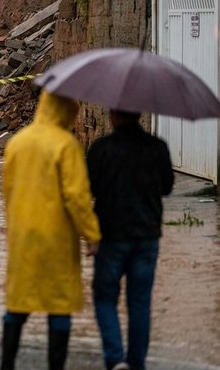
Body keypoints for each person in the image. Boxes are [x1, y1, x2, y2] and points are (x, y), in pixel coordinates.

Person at [0, 91, 101, 370]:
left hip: (23, 237)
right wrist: (91, 234)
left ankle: (6, 364)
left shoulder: (18, 142)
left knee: (18, 302)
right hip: (57, 239)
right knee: (59, 305)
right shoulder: (66, 145)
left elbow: (8, 191)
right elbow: (77, 197)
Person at [87, 110, 174, 370]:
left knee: (105, 298)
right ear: (138, 115)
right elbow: (167, 187)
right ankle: (137, 364)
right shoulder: (157, 147)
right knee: (140, 302)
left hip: (111, 236)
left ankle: (115, 359)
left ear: (113, 116)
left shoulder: (102, 149)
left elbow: (89, 187)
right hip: (147, 236)